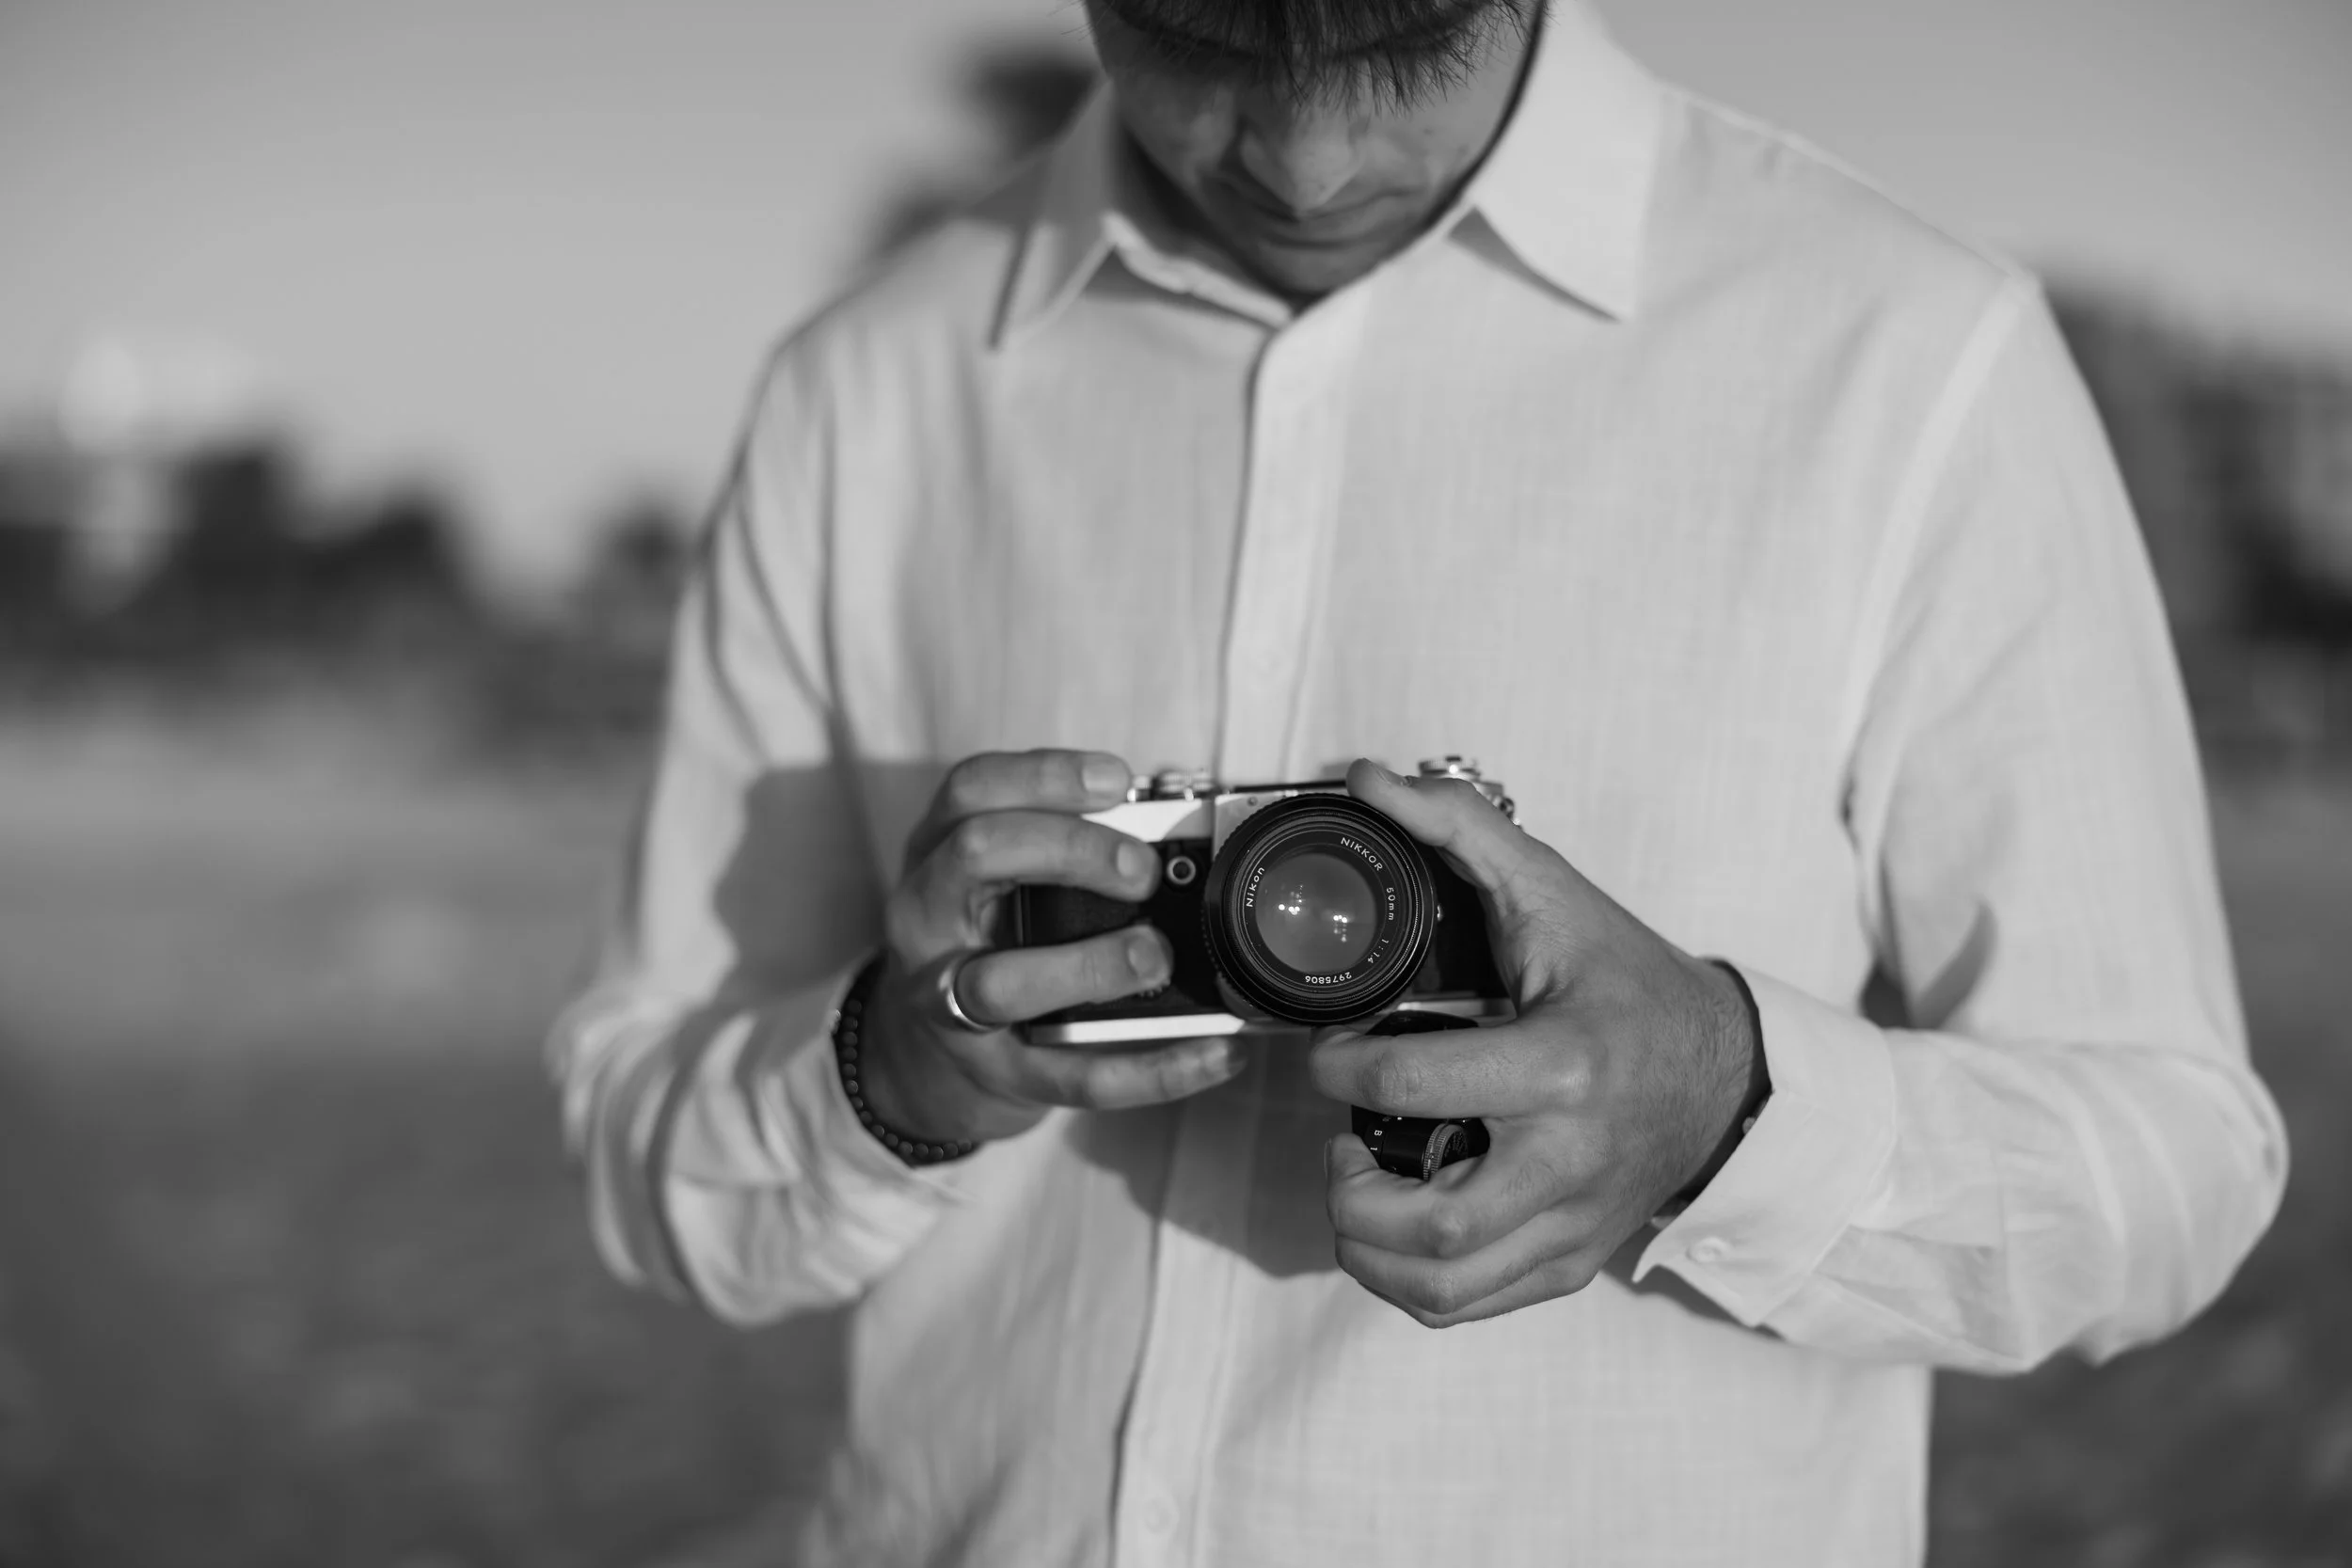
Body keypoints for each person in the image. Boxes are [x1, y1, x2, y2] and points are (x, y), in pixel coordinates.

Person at [548, 1, 2288, 1561]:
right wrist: (898, 1065)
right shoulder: (869, 387)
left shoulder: (1906, 353)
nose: (1307, 157)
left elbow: (2178, 1169)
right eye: (1202, 36)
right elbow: (651, 1158)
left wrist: (1727, 1111)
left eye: (1402, 40)